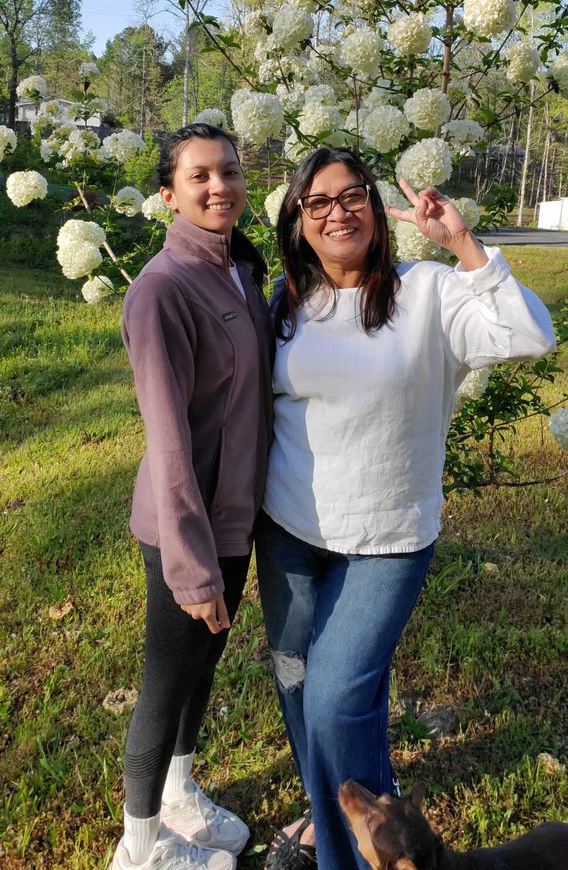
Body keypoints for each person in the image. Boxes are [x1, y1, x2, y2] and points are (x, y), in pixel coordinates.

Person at [255, 146, 556, 870]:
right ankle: (352, 831)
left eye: (351, 194)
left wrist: (462, 244)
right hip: (290, 534)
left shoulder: (428, 292)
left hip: (386, 541)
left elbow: (529, 335)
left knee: (334, 702)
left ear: (376, 208)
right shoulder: (286, 301)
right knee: (299, 688)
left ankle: (345, 859)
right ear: (298, 220)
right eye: (318, 201)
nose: (338, 212)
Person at [112, 123, 274, 870]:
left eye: (231, 172)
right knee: (165, 680)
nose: (221, 187)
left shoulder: (238, 269)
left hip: (234, 521)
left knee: (204, 667)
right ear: (168, 193)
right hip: (187, 531)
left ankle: (179, 793)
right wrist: (193, 568)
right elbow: (170, 443)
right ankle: (139, 851)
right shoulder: (162, 290)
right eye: (201, 176)